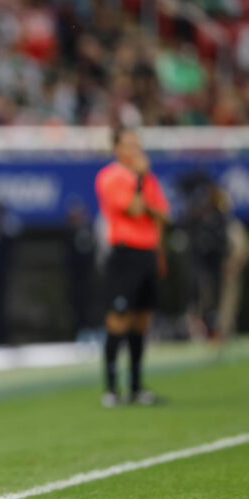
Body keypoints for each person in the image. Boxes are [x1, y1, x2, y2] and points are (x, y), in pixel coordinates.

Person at [95, 127, 169, 407]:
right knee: (118, 319)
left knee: (141, 322)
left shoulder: (146, 178)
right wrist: (140, 183)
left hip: (148, 253)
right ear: (117, 148)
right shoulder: (110, 176)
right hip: (125, 254)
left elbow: (164, 212)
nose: (136, 149)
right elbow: (136, 209)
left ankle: (137, 388)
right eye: (129, 144)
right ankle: (112, 389)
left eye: (137, 143)